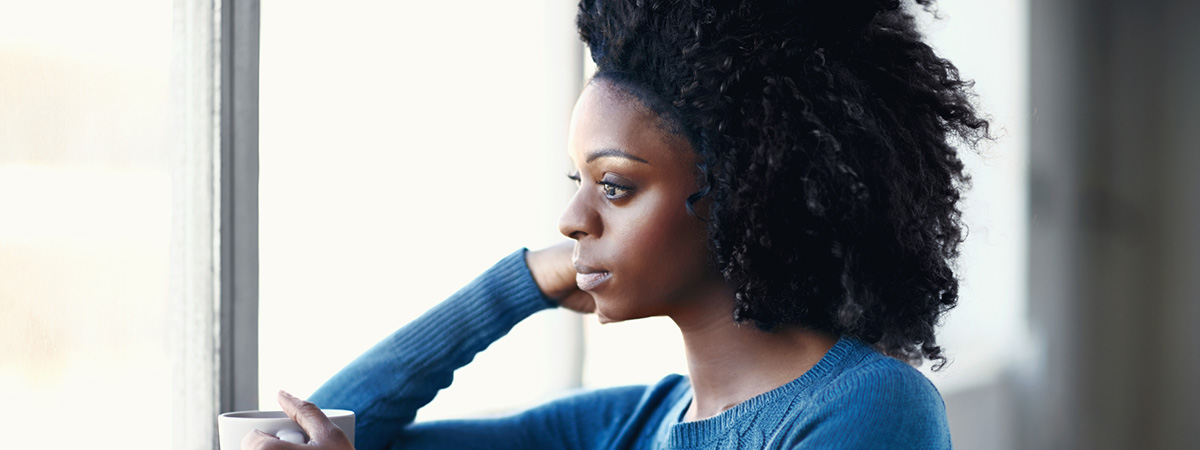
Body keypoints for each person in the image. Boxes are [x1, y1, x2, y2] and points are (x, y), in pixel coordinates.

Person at [242, 0, 989, 448]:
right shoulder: (634, 423)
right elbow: (328, 430)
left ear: (747, 192)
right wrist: (521, 284)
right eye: (578, 183)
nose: (572, 221)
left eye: (615, 186)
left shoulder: (869, 407)